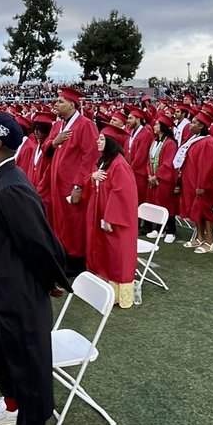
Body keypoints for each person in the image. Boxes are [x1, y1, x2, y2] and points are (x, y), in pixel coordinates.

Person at [0, 111, 71, 425]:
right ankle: (12, 406)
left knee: (28, 360)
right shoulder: (0, 178)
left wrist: (52, 280)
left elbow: (38, 242)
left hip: (21, 290)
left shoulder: (11, 185)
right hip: (4, 286)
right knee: (6, 351)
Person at [45, 87, 100, 276]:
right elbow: (47, 146)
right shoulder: (58, 126)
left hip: (72, 184)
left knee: (74, 222)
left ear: (72, 104)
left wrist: (79, 185)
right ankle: (64, 255)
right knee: (61, 221)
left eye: (60, 101)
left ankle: (77, 262)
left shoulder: (85, 125)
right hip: (57, 184)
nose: (56, 104)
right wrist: (54, 142)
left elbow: (90, 156)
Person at [85, 122, 139, 308]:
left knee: (118, 256)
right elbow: (95, 182)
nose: (97, 141)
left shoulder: (119, 165)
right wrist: (91, 177)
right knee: (106, 254)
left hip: (116, 220)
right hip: (102, 214)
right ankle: (106, 290)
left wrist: (110, 217)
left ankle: (120, 296)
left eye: (101, 139)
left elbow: (122, 194)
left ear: (110, 141)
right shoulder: (103, 162)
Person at [177, 112, 213, 253]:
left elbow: (207, 166)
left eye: (194, 122)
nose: (190, 124)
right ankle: (199, 237)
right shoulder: (193, 139)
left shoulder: (208, 142)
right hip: (190, 181)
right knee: (196, 211)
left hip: (201, 184)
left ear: (201, 125)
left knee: (206, 212)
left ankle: (209, 241)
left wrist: (202, 185)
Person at [144, 114, 179, 243]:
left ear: (163, 127)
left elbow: (168, 162)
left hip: (164, 179)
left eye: (157, 124)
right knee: (155, 203)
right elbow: (149, 160)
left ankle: (171, 230)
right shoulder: (154, 141)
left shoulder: (170, 143)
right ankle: (159, 229)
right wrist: (149, 175)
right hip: (153, 178)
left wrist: (156, 176)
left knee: (167, 204)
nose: (154, 126)